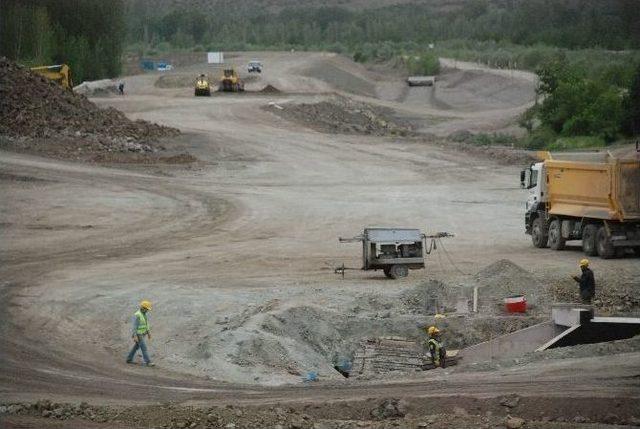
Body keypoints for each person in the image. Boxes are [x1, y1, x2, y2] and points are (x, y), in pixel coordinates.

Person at [126, 300, 155, 366]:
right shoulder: (137, 315)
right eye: (146, 309)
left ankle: (129, 359)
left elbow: (146, 324)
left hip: (143, 333)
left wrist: (148, 332)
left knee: (136, 347)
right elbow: (135, 327)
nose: (147, 310)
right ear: (143, 308)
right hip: (139, 334)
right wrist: (135, 336)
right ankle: (148, 362)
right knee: (144, 348)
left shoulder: (144, 314)